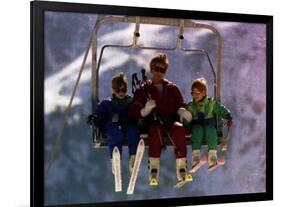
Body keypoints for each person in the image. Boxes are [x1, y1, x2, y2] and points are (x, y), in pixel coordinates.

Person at [128, 53, 192, 185]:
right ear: (151, 69)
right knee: (154, 132)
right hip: (153, 123)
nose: (159, 73)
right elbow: (134, 110)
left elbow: (181, 104)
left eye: (162, 70)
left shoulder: (172, 89)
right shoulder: (144, 89)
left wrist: (182, 111)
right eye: (156, 69)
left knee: (179, 130)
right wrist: (145, 110)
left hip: (170, 122)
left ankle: (181, 167)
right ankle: (154, 168)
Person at [88, 72, 140, 174]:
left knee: (133, 131)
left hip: (128, 127)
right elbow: (101, 118)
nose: (121, 93)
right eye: (118, 90)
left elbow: (138, 113)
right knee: (114, 132)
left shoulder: (132, 102)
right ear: (113, 90)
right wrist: (94, 119)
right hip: (115, 128)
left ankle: (133, 157)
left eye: (123, 90)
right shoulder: (107, 104)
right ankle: (116, 160)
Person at [184, 77, 232, 169]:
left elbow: (220, 109)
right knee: (197, 130)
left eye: (197, 93)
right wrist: (185, 124)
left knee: (211, 130)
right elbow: (186, 118)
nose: (195, 95)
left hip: (208, 127)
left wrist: (227, 116)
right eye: (193, 93)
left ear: (204, 93)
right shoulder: (191, 106)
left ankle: (212, 158)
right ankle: (196, 158)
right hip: (197, 128)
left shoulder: (211, 103)